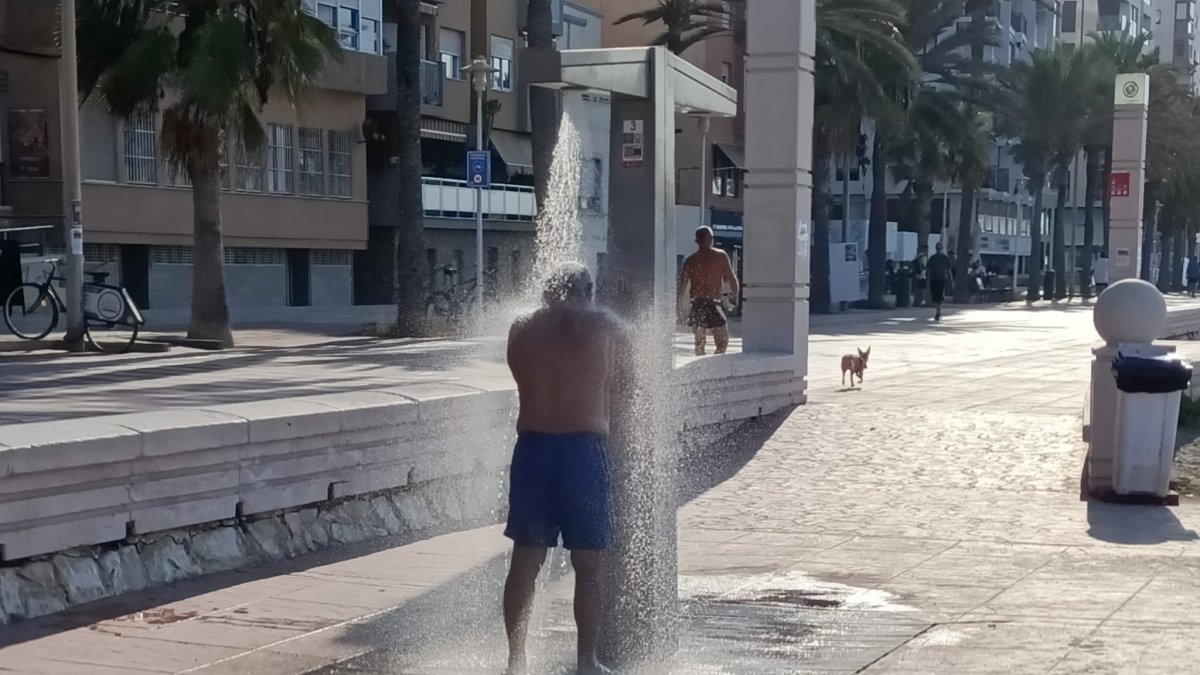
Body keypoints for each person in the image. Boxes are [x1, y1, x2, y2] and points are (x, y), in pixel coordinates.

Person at [503, 263, 631, 675]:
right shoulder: (605, 328)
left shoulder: (521, 329)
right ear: (585, 292)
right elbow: (626, 386)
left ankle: (516, 659)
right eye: (588, 291)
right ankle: (586, 660)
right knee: (590, 562)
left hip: (533, 449)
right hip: (583, 451)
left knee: (525, 559)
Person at [679, 226, 739, 355]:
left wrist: (678, 307)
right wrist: (735, 297)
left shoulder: (690, 261)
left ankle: (702, 367)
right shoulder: (720, 256)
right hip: (713, 303)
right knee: (722, 341)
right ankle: (715, 366)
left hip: (698, 304)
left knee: (700, 344)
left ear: (696, 241)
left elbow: (681, 287)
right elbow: (732, 279)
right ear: (711, 239)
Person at [927, 242, 953, 322]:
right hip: (934, 279)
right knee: (935, 297)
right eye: (937, 248)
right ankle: (938, 311)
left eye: (939, 248)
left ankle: (938, 312)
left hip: (942, 279)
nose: (938, 249)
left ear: (941, 249)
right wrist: (928, 280)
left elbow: (949, 270)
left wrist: (951, 280)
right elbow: (929, 270)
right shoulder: (932, 258)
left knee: (940, 296)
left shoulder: (945, 258)